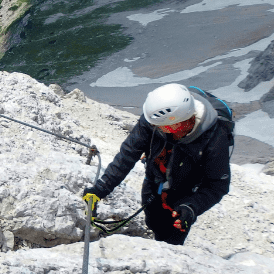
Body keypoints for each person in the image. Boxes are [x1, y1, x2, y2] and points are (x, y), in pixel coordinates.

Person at [83, 83, 232, 245]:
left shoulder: (215, 139)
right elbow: (128, 154)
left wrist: (191, 207)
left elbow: (217, 185)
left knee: (173, 236)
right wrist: (101, 188)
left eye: (161, 127)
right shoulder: (154, 119)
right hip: (155, 178)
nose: (154, 128)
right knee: (153, 220)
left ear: (175, 124)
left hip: (186, 191)